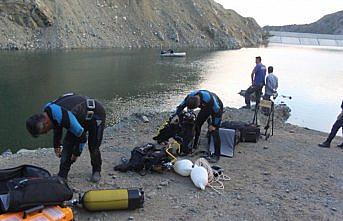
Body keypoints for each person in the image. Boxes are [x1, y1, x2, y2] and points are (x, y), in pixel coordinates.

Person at [26, 93, 106, 182]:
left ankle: (96, 170)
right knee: (68, 144)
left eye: (44, 131)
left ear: (46, 124)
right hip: (80, 115)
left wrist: (76, 153)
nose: (46, 133)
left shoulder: (66, 117)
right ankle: (62, 175)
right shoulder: (48, 111)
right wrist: (57, 145)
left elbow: (82, 137)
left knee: (93, 146)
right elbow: (56, 125)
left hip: (96, 115)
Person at [174, 90, 223, 163]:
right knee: (197, 124)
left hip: (215, 107)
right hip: (205, 107)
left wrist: (214, 125)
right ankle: (195, 144)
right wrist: (177, 115)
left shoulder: (211, 102)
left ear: (199, 103)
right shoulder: (189, 97)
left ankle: (216, 155)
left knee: (214, 131)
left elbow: (218, 113)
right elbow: (180, 107)